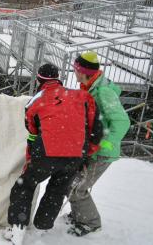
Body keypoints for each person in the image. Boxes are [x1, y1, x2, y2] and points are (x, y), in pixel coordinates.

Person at [5, 64, 102, 245]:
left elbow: (32, 134)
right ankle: (42, 229)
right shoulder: (83, 96)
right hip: (75, 154)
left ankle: (17, 229)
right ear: (58, 78)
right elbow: (96, 130)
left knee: (24, 186)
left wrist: (31, 159)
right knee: (56, 191)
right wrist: (85, 154)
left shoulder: (35, 101)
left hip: (47, 153)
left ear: (39, 80)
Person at [67, 51, 130, 236]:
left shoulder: (103, 92)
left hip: (102, 152)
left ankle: (91, 223)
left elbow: (122, 121)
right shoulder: (89, 86)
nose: (74, 72)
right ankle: (80, 215)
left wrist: (106, 146)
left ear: (83, 71)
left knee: (78, 188)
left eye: (76, 69)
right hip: (91, 148)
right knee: (72, 183)